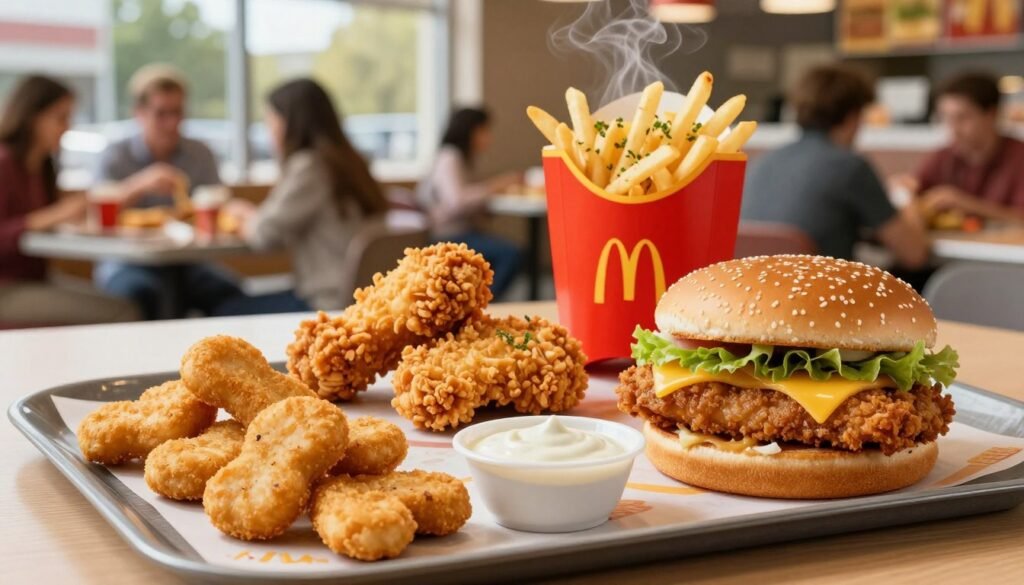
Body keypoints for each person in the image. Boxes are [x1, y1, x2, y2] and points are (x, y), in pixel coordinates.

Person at [216, 78, 389, 314]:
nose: (270, 131)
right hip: (362, 298)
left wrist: (245, 214)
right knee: (219, 289)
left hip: (327, 304)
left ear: (288, 123)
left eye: (270, 121)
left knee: (222, 307)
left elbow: (264, 235)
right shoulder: (350, 162)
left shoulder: (310, 167)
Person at [742, 64, 930, 273]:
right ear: (852, 117)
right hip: (820, 298)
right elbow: (913, 254)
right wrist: (906, 196)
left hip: (758, 297)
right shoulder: (850, 166)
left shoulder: (764, 162)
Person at [93, 64, 242, 319]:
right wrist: (139, 184)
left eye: (177, 112)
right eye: (161, 114)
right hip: (127, 261)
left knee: (230, 295)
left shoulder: (200, 154)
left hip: (189, 261)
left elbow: (217, 209)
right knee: (141, 294)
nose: (171, 123)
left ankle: (210, 358)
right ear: (139, 113)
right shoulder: (115, 156)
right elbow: (95, 218)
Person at [0, 75, 139, 326]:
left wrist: (72, 217)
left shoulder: (43, 167)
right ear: (32, 117)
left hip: (37, 278)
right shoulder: (4, 163)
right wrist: (56, 214)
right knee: (121, 312)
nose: (67, 127)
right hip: (7, 287)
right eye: (60, 117)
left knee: (124, 302)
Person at [419, 107, 522, 298]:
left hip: (462, 231)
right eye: (484, 131)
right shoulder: (450, 157)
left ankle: (482, 300)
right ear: (470, 131)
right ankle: (485, 302)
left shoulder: (463, 158)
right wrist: (496, 186)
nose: (489, 137)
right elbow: (456, 202)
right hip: (447, 234)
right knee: (511, 254)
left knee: (509, 251)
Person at [914, 72, 1024, 224]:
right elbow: (917, 188)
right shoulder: (944, 156)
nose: (953, 129)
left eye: (963, 117)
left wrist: (966, 204)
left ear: (991, 115)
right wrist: (905, 189)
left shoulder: (1018, 157)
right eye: (946, 117)